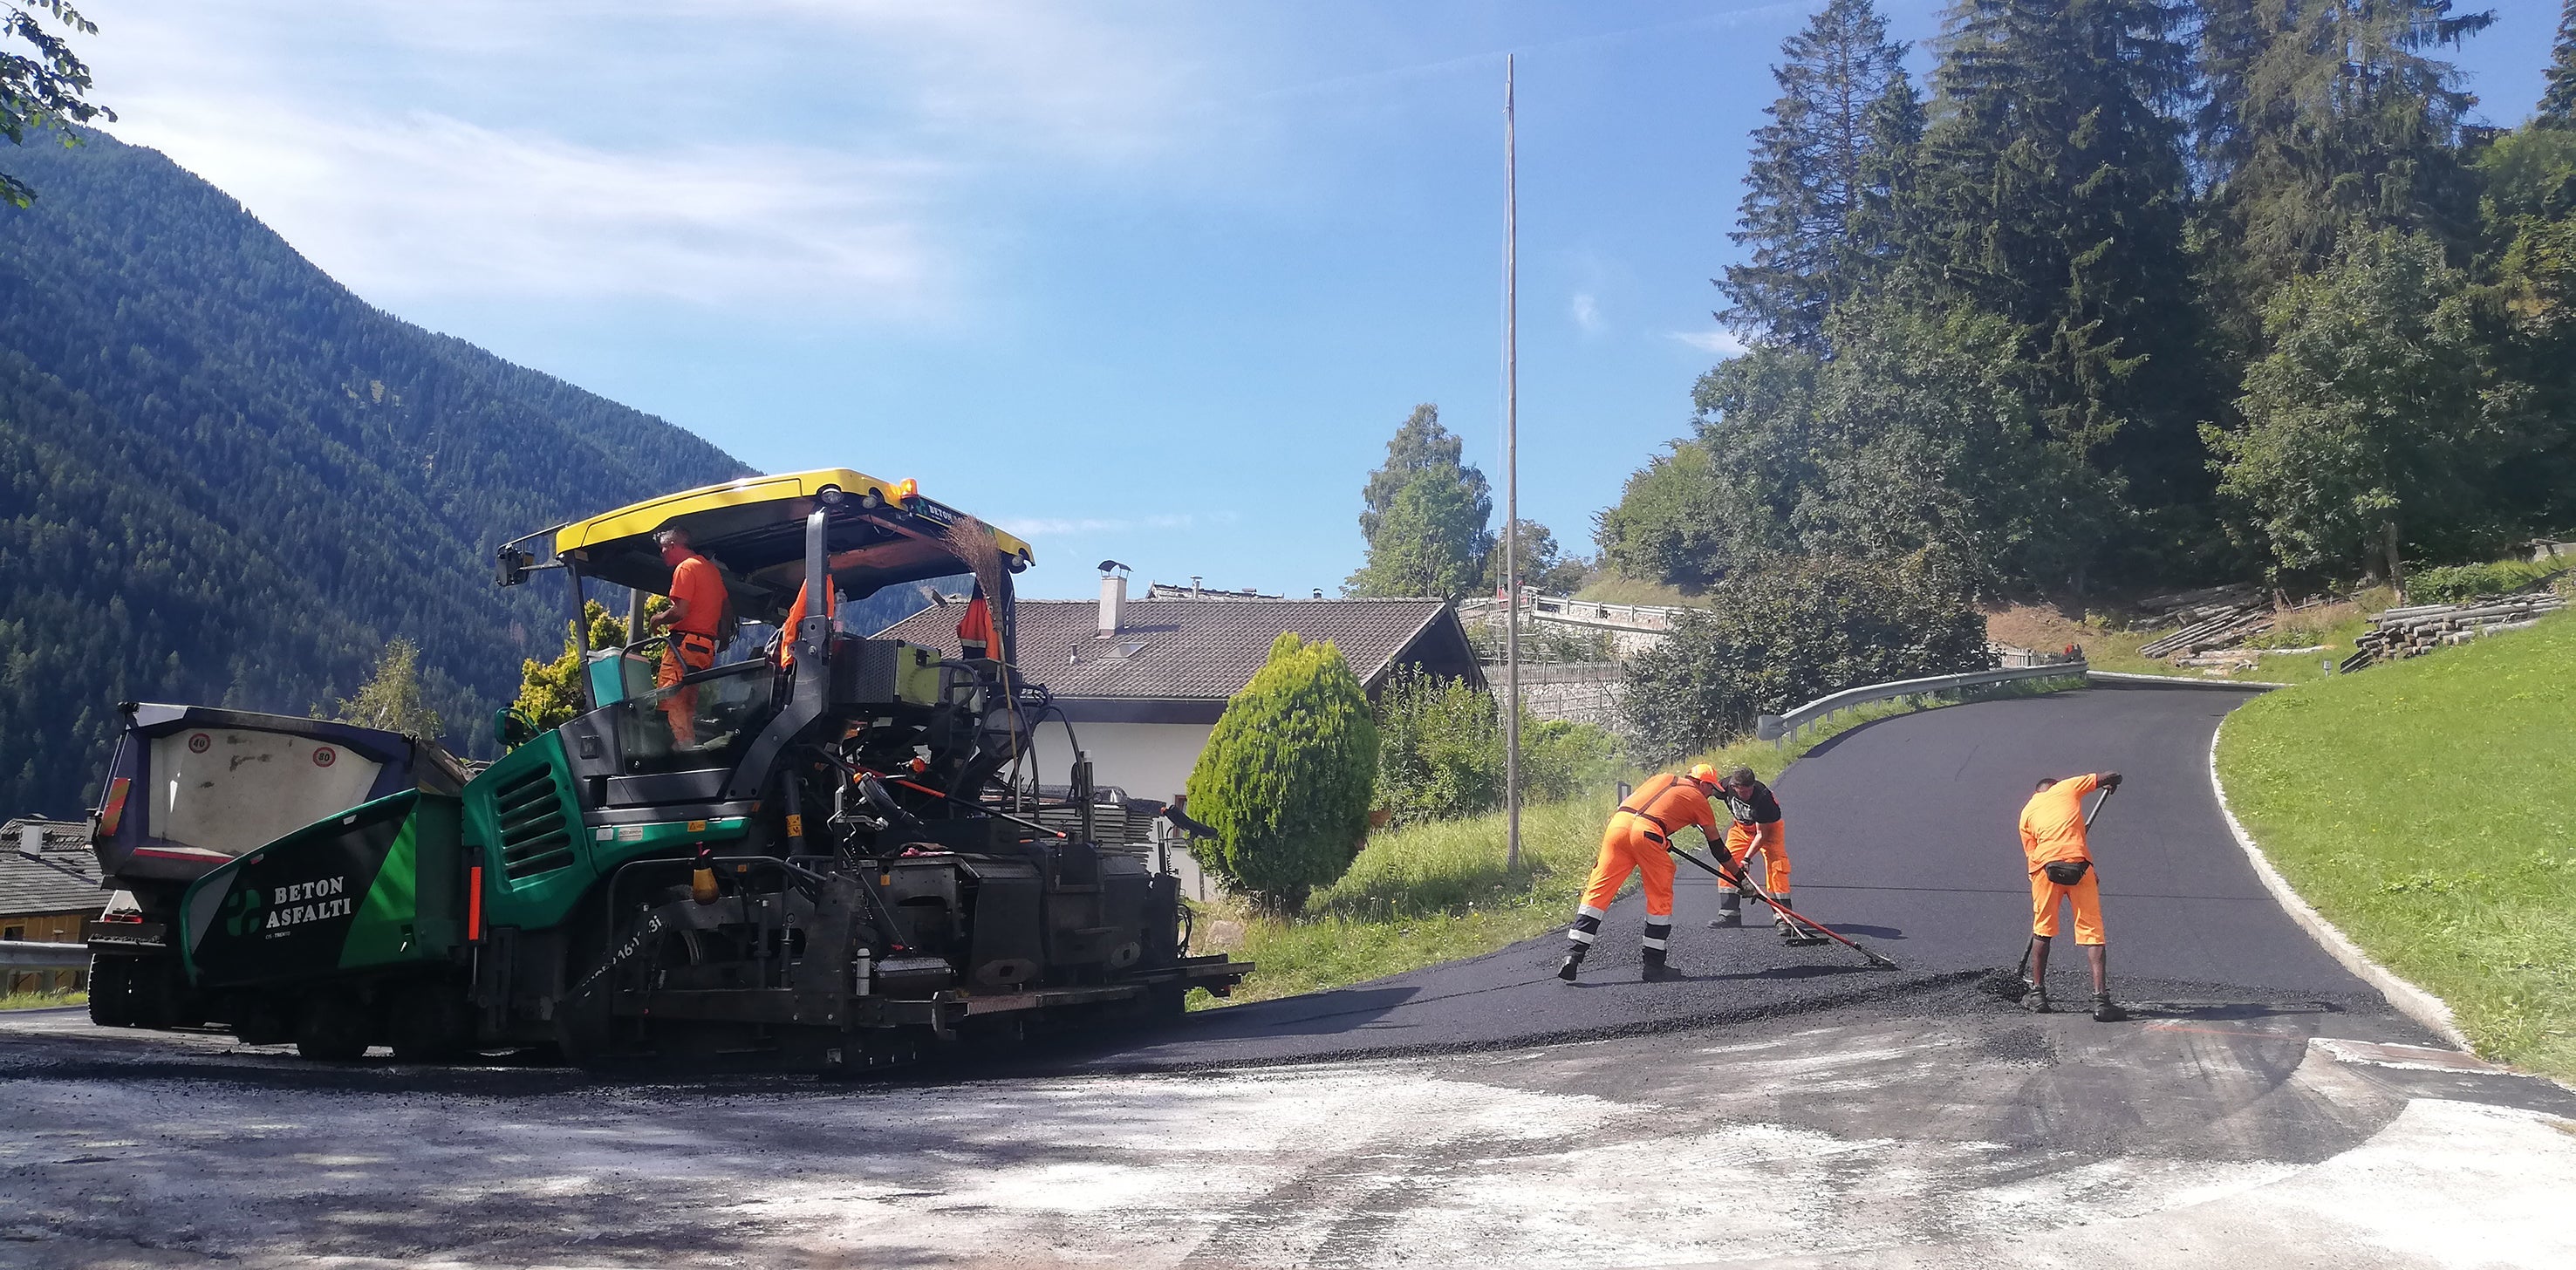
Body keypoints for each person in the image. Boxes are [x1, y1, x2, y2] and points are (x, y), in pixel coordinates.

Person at [1558, 763, 1725, 983]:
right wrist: (1740, 878)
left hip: (1618, 827)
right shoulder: (1698, 799)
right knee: (1659, 897)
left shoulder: (1662, 777)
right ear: (1703, 784)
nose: (1711, 795)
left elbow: (1644, 811)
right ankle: (1654, 965)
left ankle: (1573, 956)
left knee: (1597, 893)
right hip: (1647, 833)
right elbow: (1717, 847)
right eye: (1711, 789)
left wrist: (1660, 837)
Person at [2019, 771, 2126, 1021]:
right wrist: (2111, 783)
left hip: (2045, 869)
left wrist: (2037, 879)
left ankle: (2037, 995)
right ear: (2054, 787)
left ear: (2038, 792)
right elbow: (2113, 774)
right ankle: (2101, 1001)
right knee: (2092, 931)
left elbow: (2031, 854)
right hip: (2079, 866)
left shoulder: (2026, 812)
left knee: (2042, 929)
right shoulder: (2066, 787)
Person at [645, 528, 728, 747]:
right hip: (705, 649)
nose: (662, 554)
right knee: (688, 704)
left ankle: (679, 752)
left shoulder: (685, 568)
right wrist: (724, 635)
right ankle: (688, 746)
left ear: (672, 546)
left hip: (684, 646)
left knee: (671, 701)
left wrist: (658, 619)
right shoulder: (711, 571)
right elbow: (726, 607)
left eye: (663, 549)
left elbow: (680, 611)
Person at [1709, 766, 1795, 937]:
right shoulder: (1725, 787)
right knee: (1727, 861)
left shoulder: (1762, 798)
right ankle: (1729, 914)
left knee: (1776, 868)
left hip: (1769, 830)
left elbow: (1762, 835)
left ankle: (1783, 918)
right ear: (1734, 787)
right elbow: (1705, 792)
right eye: (1743, 792)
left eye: (1749, 791)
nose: (1747, 795)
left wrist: (1747, 859)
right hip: (1741, 829)